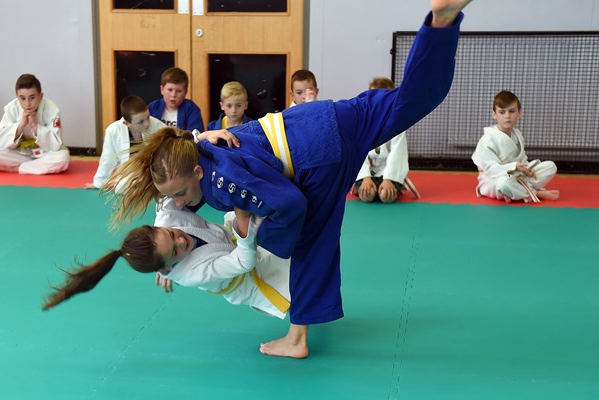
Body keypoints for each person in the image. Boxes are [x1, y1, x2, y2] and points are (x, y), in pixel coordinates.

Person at [109, 0, 471, 359]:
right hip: (321, 117)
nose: (182, 204)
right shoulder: (196, 150)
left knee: (309, 244)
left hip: (320, 155)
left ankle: (298, 339)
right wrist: (199, 137)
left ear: (197, 173)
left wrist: (259, 235)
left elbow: (289, 203)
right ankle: (440, 25)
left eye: (182, 193)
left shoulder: (220, 183)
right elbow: (174, 194)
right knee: (410, 99)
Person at [43, 197, 291, 321]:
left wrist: (200, 138)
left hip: (231, 239)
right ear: (168, 266)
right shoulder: (191, 274)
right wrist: (244, 223)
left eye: (172, 235)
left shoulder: (166, 217)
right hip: (246, 279)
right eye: (175, 251)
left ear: (158, 226)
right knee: (296, 286)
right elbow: (243, 263)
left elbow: (169, 173)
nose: (181, 240)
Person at [472, 90, 559, 203]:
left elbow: (522, 159)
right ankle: (536, 193)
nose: (507, 116)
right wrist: (514, 166)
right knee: (504, 184)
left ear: (519, 112)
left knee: (550, 167)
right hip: (494, 179)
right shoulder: (488, 139)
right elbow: (490, 170)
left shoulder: (517, 134)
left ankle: (517, 192)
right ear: (494, 114)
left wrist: (526, 169)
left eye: (511, 111)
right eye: (502, 112)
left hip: (518, 175)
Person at [0, 74, 69, 175]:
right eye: (22, 98)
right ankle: (36, 166)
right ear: (17, 97)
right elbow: (1, 139)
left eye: (32, 98)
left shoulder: (52, 109)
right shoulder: (12, 108)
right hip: (20, 153)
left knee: (63, 158)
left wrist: (36, 126)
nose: (27, 103)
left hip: (44, 153)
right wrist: (20, 125)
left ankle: (16, 168)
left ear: (40, 96)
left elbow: (55, 145)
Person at [350, 77, 416, 203]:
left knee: (386, 196)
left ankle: (388, 184)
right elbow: (359, 152)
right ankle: (367, 182)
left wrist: (388, 179)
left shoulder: (398, 125)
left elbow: (398, 154)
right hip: (368, 173)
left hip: (388, 174)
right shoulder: (363, 124)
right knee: (367, 195)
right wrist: (365, 177)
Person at [85, 95, 166, 190]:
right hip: (131, 174)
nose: (147, 123)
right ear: (126, 123)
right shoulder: (113, 131)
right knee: (121, 187)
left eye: (147, 117)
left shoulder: (159, 127)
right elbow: (107, 159)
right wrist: (98, 183)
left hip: (155, 171)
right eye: (141, 122)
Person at [147, 67, 204, 132]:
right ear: (162, 90)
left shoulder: (191, 109)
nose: (173, 95)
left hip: (182, 142)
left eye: (179, 91)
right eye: (170, 90)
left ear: (185, 92)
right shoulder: (152, 108)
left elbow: (195, 135)